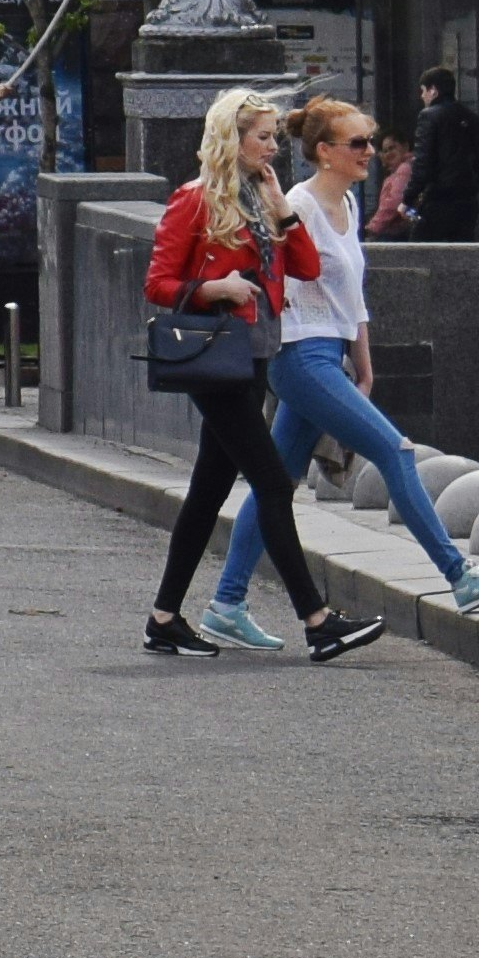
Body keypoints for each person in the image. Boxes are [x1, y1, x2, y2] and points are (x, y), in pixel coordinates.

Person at [222, 94, 479, 634]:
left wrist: (365, 364)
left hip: (327, 355)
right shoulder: (298, 204)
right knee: (395, 451)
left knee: (275, 485)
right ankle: (459, 574)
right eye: (357, 143)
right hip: (300, 356)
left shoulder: (350, 205)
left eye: (370, 142)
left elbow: (352, 296)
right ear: (325, 151)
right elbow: (283, 282)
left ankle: (226, 605)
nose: (370, 151)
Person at [145, 84, 373, 662]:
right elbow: (158, 284)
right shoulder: (195, 199)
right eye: (263, 137)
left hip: (253, 357)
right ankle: (317, 621)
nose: (273, 147)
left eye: (274, 137)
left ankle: (163, 619)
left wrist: (281, 209)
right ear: (233, 139)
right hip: (215, 358)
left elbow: (307, 267)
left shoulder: (263, 197)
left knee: (209, 488)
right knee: (272, 483)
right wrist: (213, 288)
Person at [404, 70, 479, 240]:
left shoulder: (429, 116)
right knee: (460, 251)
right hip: (467, 202)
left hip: (438, 199)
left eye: (423, 90)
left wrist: (408, 198)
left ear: (433, 90)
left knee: (419, 250)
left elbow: (422, 163)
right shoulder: (472, 117)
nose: (422, 96)